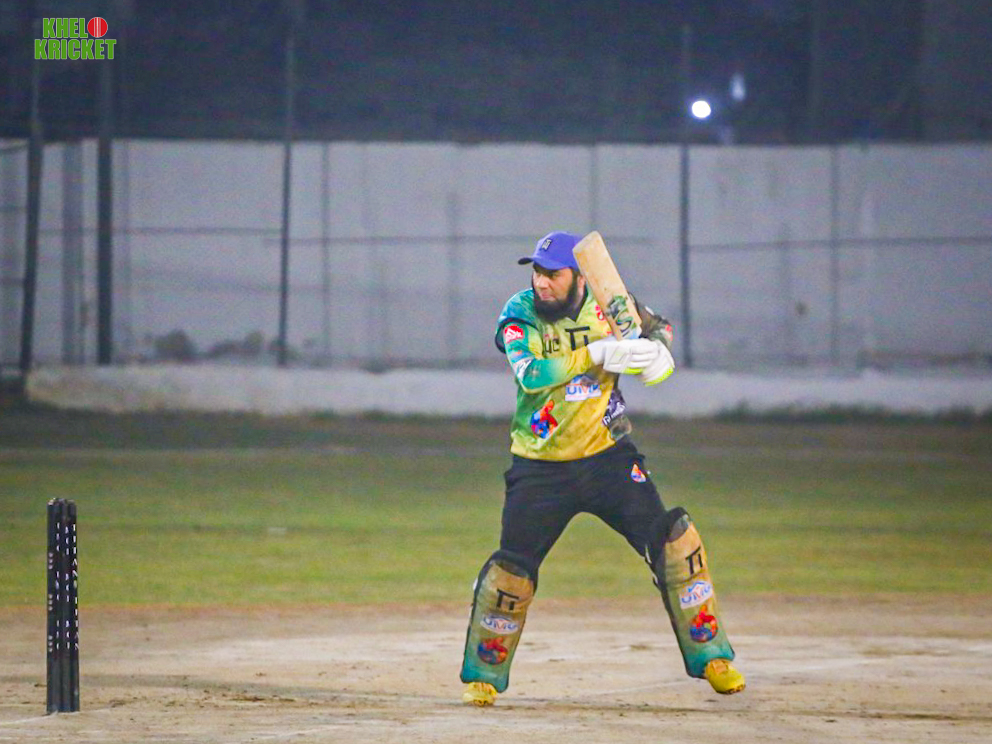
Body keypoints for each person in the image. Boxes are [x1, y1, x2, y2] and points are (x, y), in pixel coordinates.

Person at [459, 231, 745, 706]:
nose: (541, 282)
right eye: (537, 272)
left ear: (579, 276)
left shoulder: (610, 303)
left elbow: (657, 327)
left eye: (552, 274)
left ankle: (712, 657)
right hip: (540, 467)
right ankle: (484, 676)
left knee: (673, 542)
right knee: (511, 573)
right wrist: (594, 354)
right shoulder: (519, 313)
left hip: (609, 458)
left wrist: (658, 354)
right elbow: (530, 374)